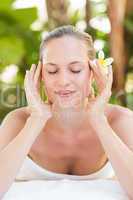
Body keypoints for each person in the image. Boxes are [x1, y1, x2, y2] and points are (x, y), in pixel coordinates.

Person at [0, 25, 133, 199]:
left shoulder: (120, 121)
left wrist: (99, 119)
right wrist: (36, 119)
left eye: (75, 69)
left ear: (93, 72)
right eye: (52, 70)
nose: (63, 81)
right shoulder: (18, 121)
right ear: (41, 75)